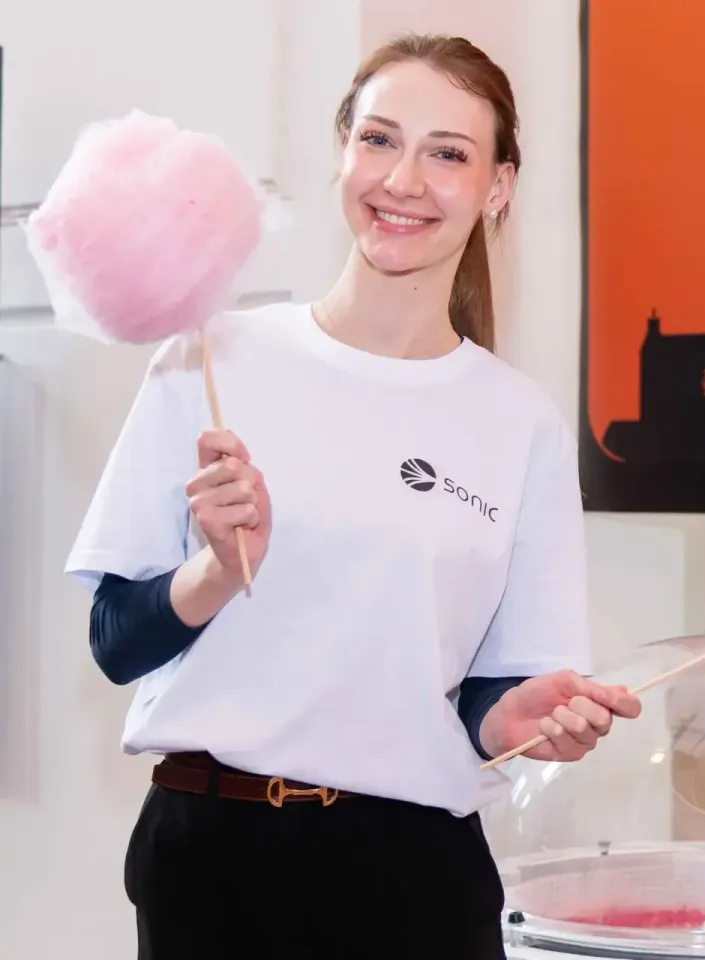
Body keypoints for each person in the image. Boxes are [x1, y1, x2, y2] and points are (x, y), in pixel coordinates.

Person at [64, 34, 640, 957]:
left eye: (448, 153)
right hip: (211, 861)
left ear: (497, 188)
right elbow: (114, 643)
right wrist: (211, 573)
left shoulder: (520, 423)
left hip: (416, 877)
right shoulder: (204, 357)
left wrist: (517, 720)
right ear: (342, 151)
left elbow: (484, 695)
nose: (403, 180)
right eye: (379, 140)